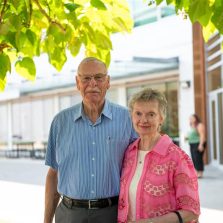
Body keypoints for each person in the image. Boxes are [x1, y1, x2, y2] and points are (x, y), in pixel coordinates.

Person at [44, 57, 137, 223]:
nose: (92, 83)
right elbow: (53, 173)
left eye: (99, 77)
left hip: (112, 214)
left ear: (108, 82)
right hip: (69, 215)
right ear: (77, 82)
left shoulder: (127, 119)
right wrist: (46, 220)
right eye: (86, 78)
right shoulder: (60, 122)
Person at [118, 88, 200, 223]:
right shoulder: (129, 153)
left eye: (151, 114)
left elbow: (191, 211)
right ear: (132, 116)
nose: (143, 120)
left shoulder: (177, 157)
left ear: (161, 118)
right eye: (138, 113)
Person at [187, 114, 206, 178]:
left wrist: (201, 145)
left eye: (192, 118)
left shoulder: (199, 125)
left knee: (198, 158)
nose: (190, 119)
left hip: (198, 143)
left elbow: (202, 135)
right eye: (190, 118)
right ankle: (197, 172)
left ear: (195, 118)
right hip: (192, 144)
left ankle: (200, 173)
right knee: (194, 158)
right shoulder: (192, 126)